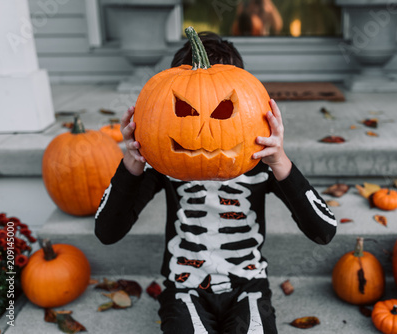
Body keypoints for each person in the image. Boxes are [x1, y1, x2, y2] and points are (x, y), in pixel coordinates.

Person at [95, 32, 337, 334]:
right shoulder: (165, 167)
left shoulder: (262, 166)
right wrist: (133, 162)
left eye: (223, 109)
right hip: (184, 286)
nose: (202, 131)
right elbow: (107, 231)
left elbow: (324, 231)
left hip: (248, 286)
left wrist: (280, 161)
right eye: (185, 109)